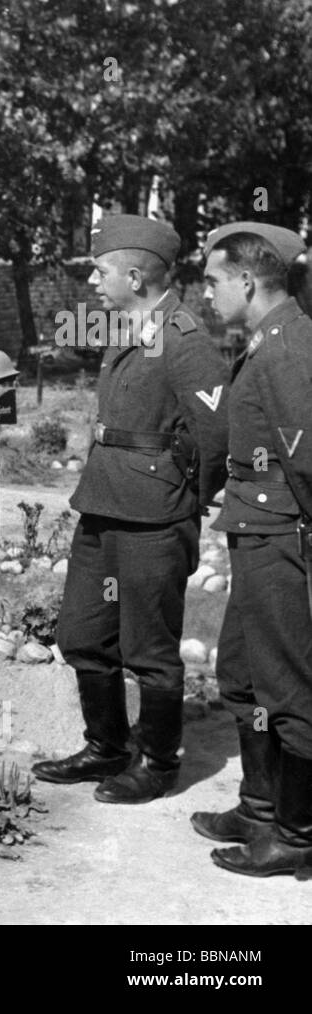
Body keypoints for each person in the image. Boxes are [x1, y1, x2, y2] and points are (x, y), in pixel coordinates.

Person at [33, 214, 229, 804]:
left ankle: (161, 763)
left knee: (149, 646)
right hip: (103, 503)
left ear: (136, 274)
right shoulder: (124, 327)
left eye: (100, 269)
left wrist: (183, 504)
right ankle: (107, 746)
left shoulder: (186, 338)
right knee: (84, 633)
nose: (93, 280)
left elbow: (217, 436)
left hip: (154, 515)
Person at [191, 222, 312, 877]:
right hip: (254, 531)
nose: (206, 293)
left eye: (212, 281)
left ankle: (296, 833)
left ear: (246, 279)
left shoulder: (290, 346)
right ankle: (261, 807)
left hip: (281, 538)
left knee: (288, 687)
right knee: (242, 676)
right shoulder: (265, 341)